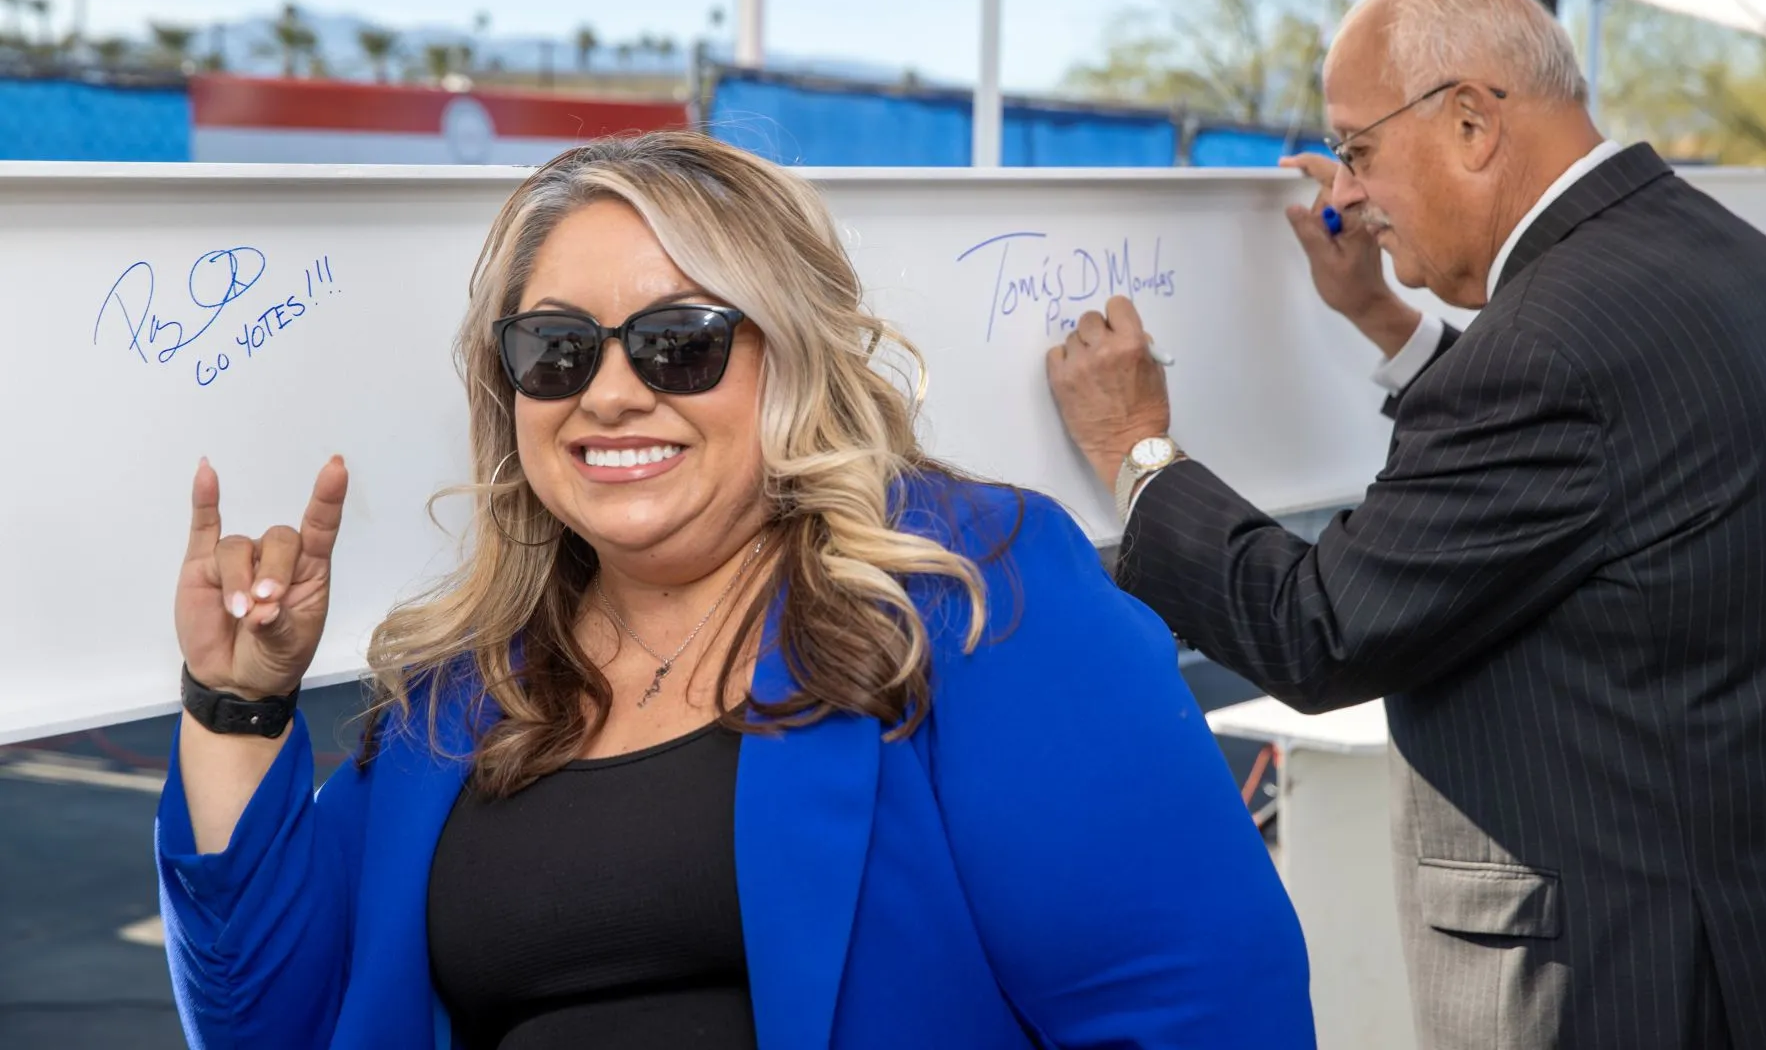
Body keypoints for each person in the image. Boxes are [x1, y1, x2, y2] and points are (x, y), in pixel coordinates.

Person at [158, 133, 1314, 1050]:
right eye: (556, 349)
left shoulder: (975, 587)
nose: (609, 392)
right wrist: (237, 703)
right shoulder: (460, 694)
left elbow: (1200, 1004)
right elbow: (277, 1024)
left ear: (791, 356)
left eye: (680, 341)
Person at [1047, 0, 1766, 1050]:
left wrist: (1138, 450)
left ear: (1468, 122)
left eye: (1357, 148)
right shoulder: (1722, 256)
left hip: (1636, 989)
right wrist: (1383, 317)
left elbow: (1317, 629)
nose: (1344, 192)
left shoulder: (1552, 348)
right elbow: (1589, 480)